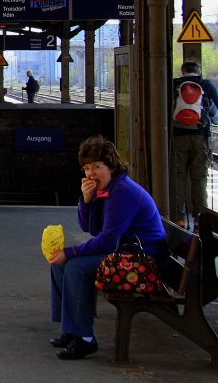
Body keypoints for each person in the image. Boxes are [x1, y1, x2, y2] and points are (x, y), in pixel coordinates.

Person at [47, 136, 166, 360]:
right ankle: (70, 328)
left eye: (97, 167)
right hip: (126, 251)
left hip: (144, 258)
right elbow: (90, 227)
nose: (91, 173)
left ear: (111, 166)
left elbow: (106, 241)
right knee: (59, 265)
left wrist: (70, 253)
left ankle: (85, 339)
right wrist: (86, 199)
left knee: (75, 267)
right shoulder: (109, 188)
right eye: (86, 168)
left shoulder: (122, 192)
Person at [171, 59, 218, 230]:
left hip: (178, 137)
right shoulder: (206, 85)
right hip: (201, 137)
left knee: (178, 177)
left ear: (183, 71)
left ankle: (179, 219)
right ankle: (200, 220)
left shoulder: (175, 84)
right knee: (199, 179)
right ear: (198, 72)